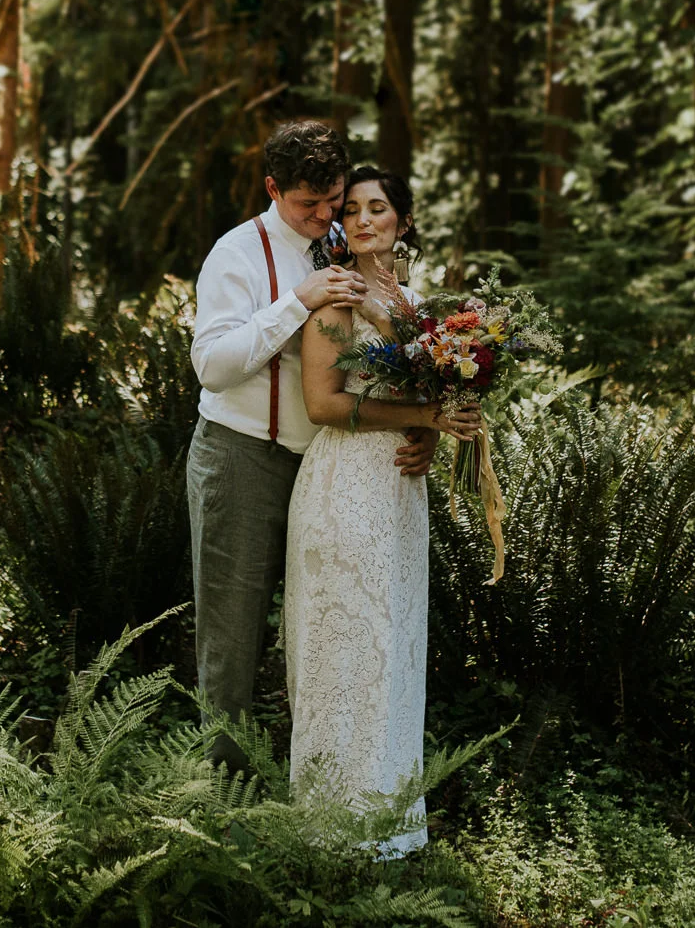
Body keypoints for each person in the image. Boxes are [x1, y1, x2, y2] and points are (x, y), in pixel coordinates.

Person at [187, 121, 437, 771]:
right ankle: (220, 799)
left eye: (335, 199)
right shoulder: (235, 254)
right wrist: (295, 302)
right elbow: (212, 365)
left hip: (331, 471)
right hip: (241, 458)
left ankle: (329, 786)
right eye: (312, 203)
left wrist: (421, 427)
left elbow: (386, 364)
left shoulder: (344, 241)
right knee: (233, 639)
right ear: (273, 188)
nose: (328, 215)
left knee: (326, 635)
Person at [286, 166, 479, 857]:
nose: (366, 219)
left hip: (399, 494)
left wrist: (433, 429)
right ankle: (328, 834)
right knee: (342, 650)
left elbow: (436, 386)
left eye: (380, 207)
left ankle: (390, 830)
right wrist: (423, 411)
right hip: (343, 489)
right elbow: (324, 403)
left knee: (392, 648)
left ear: (402, 220)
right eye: (355, 209)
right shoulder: (335, 297)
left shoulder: (423, 307)